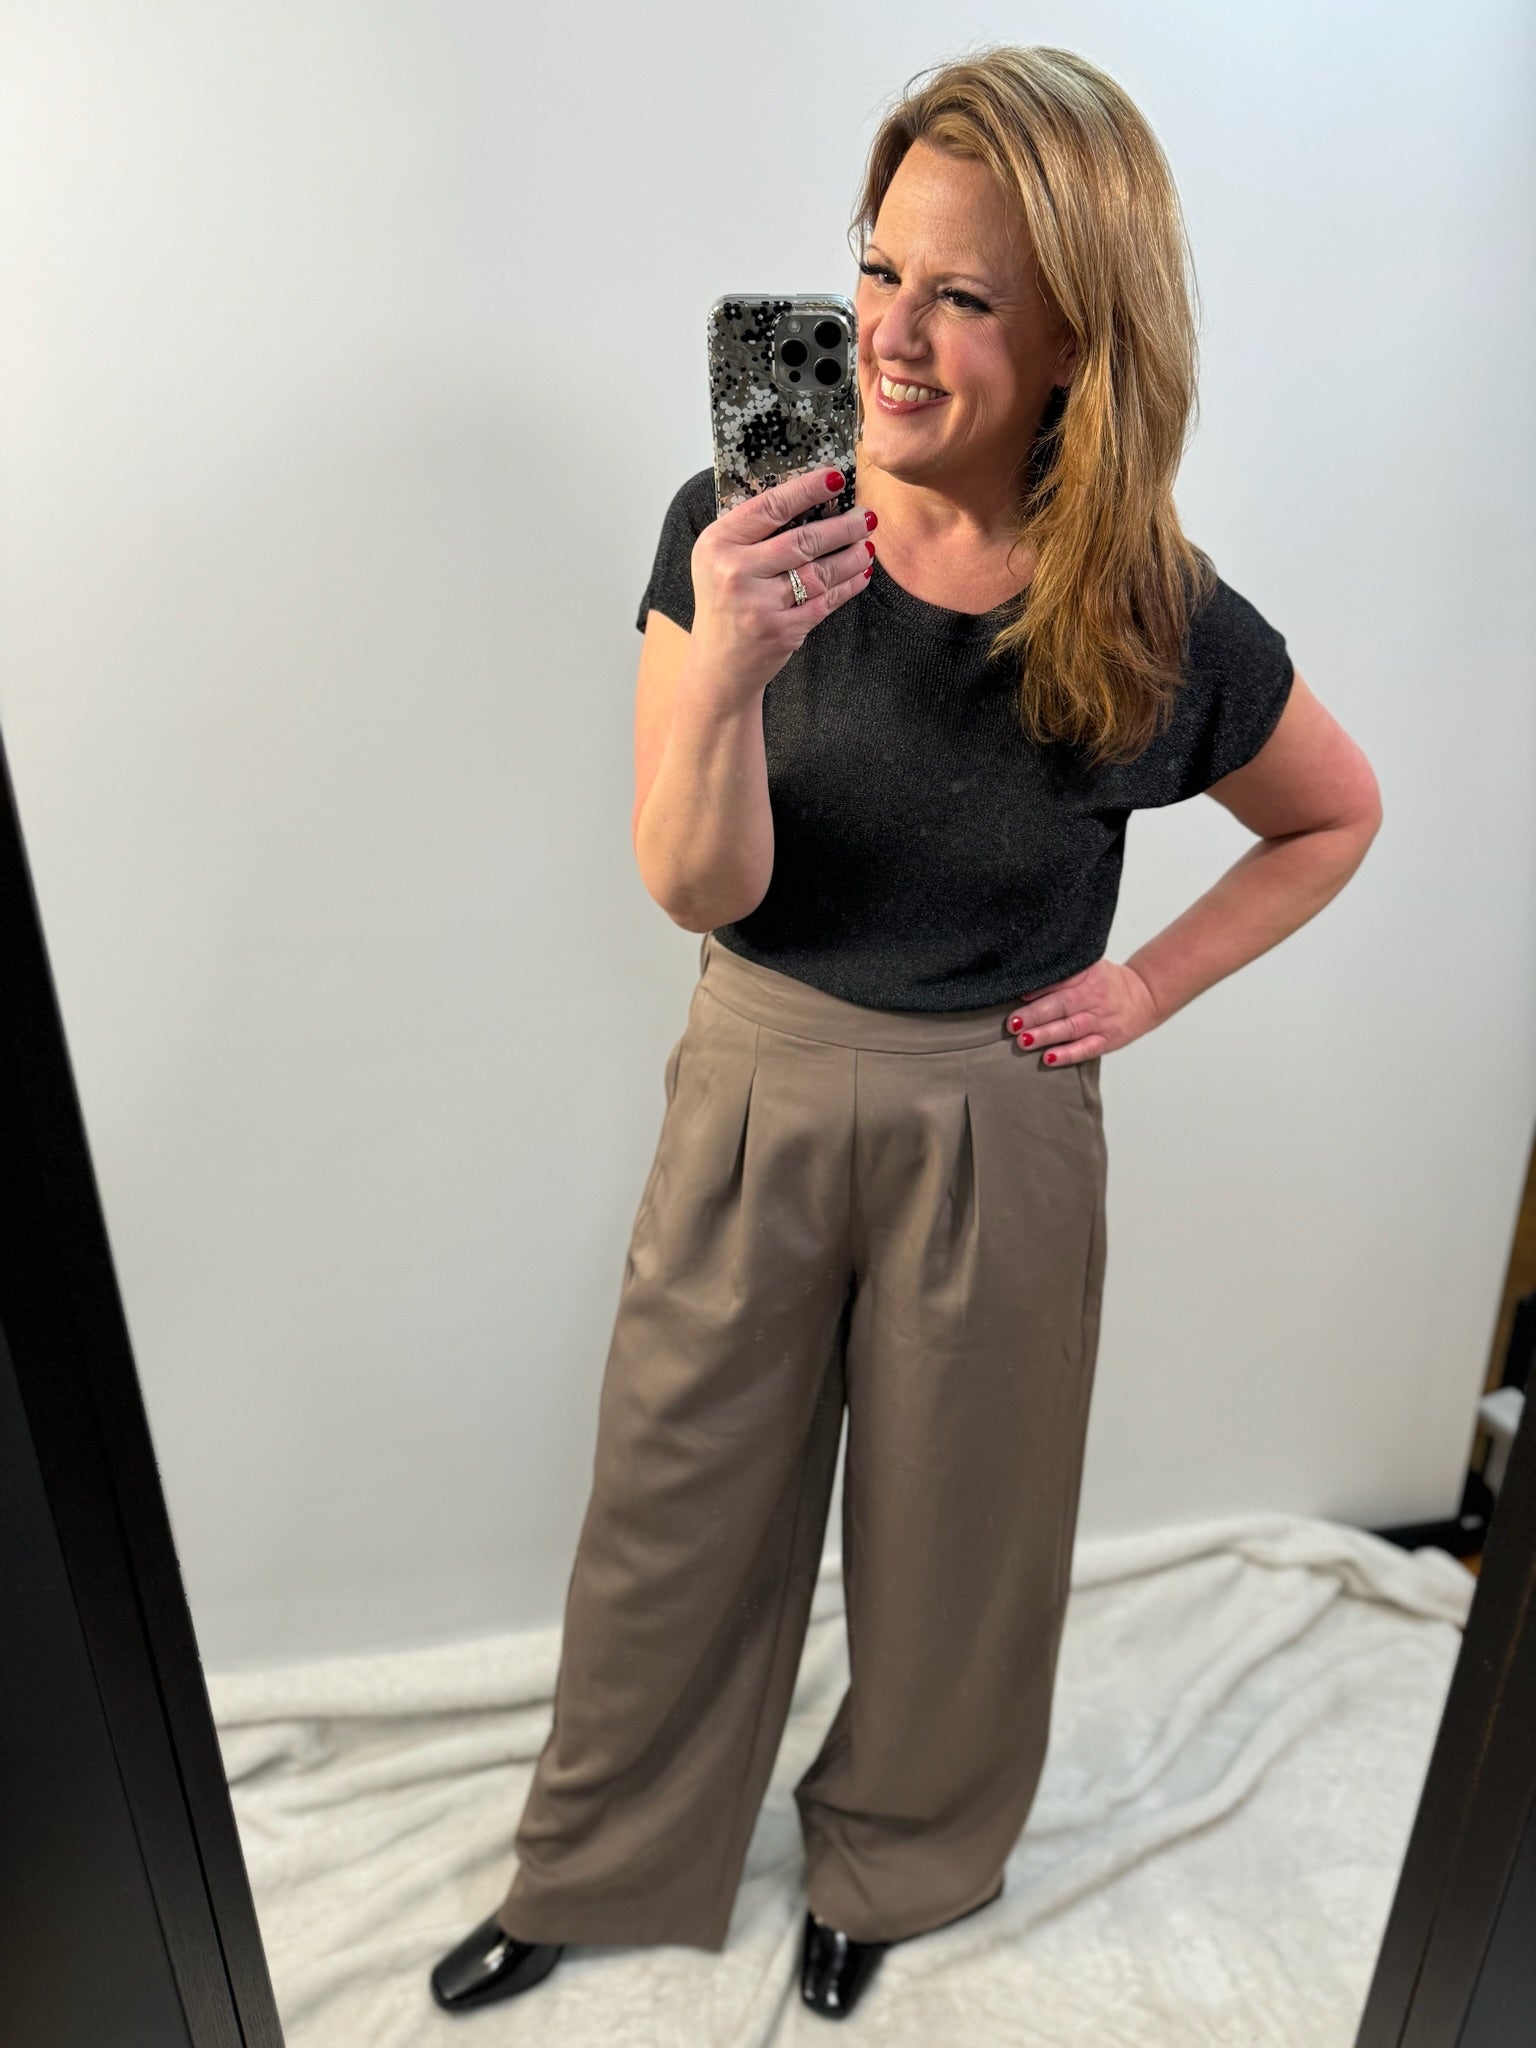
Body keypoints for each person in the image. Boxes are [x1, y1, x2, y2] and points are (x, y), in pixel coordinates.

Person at [430, 42, 1382, 2024]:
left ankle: (905, 1857)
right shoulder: (740, 522)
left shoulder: (1152, 609)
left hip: (996, 1115)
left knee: (967, 1535)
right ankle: (601, 1856)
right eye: (877, 269)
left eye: (962, 297)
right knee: (673, 1501)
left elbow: (1332, 813)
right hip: (755, 1074)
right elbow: (691, 884)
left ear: (1076, 341)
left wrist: (1148, 983)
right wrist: (728, 668)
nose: (890, 334)